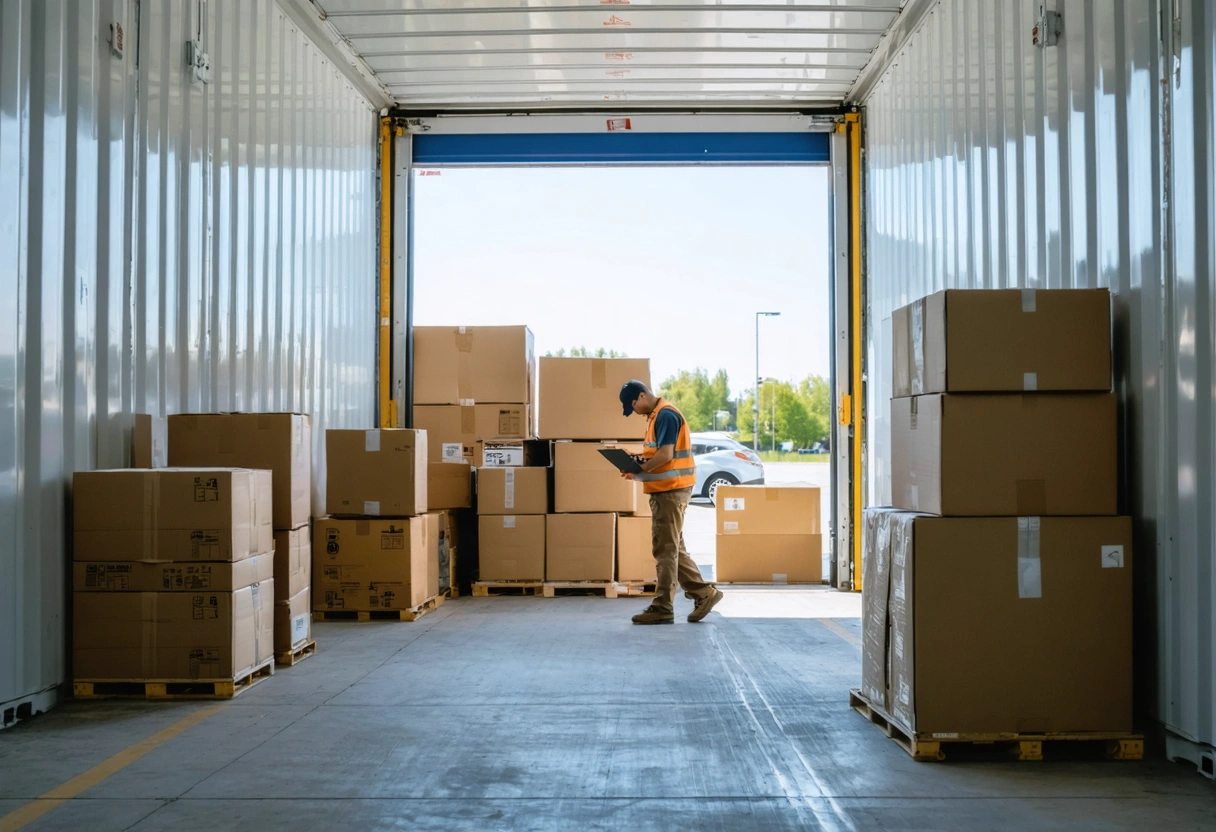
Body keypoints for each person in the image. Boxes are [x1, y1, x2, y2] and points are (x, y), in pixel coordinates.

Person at [618, 380, 723, 625]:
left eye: (632, 405)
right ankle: (704, 593)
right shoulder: (657, 417)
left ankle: (663, 605)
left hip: (671, 490)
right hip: (666, 490)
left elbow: (665, 455)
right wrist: (636, 465)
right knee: (674, 547)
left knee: (664, 549)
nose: (633, 410)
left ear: (642, 396)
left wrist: (639, 470)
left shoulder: (666, 415)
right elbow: (656, 454)